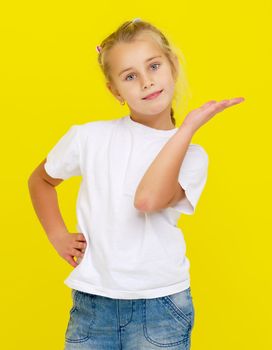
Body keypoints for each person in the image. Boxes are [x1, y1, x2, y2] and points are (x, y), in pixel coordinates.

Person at [28, 17, 244, 350]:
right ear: (115, 91)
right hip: (92, 304)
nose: (146, 82)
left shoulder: (191, 155)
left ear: (172, 66)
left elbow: (148, 199)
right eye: (130, 76)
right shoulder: (89, 137)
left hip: (160, 306)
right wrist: (57, 234)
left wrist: (186, 129)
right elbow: (41, 179)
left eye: (154, 66)